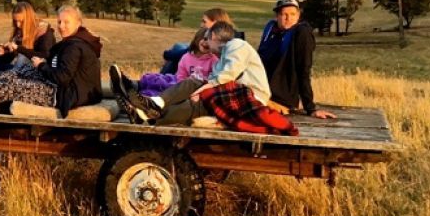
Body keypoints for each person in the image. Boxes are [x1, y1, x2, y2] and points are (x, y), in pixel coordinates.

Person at [111, 21, 296, 134]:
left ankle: (151, 116)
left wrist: (203, 90)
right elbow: (215, 79)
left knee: (198, 101)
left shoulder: (237, 45)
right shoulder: (221, 57)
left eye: (207, 39)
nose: (206, 43)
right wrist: (200, 89)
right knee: (193, 86)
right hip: (234, 93)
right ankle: (151, 107)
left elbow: (227, 75)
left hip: (251, 96)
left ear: (215, 36)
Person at [0, 5, 102, 116]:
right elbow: (57, 67)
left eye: (67, 22)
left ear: (78, 23)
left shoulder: (74, 46)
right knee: (23, 72)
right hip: (66, 88)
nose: (61, 26)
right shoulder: (73, 42)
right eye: (59, 21)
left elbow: (62, 76)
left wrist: (42, 65)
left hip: (65, 95)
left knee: (14, 87)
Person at [257, 0, 336, 120]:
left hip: (279, 99)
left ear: (298, 15)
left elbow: (303, 70)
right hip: (262, 92)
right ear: (277, 16)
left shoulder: (302, 34)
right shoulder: (271, 31)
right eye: (284, 14)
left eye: (293, 14)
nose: (288, 18)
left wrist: (310, 108)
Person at [136, 26, 218, 96]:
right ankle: (137, 85)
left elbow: (213, 80)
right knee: (157, 79)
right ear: (197, 38)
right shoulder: (187, 57)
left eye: (211, 42)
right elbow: (181, 76)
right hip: (179, 81)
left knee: (165, 89)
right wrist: (181, 84)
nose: (207, 43)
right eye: (205, 39)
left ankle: (145, 95)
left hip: (192, 89)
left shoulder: (213, 60)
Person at [0, 1, 56, 74]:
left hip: (37, 72)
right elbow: (10, 58)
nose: (18, 25)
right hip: (19, 69)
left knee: (22, 57)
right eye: (15, 21)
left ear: (29, 19)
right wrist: (1, 54)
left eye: (21, 21)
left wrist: (19, 48)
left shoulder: (43, 31)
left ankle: (6, 81)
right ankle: (6, 81)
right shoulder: (19, 32)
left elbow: (45, 56)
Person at [159, 7, 234, 75]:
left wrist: (166, 54)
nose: (201, 25)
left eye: (204, 22)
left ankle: (161, 78)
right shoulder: (225, 35)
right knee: (178, 46)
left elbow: (187, 51)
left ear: (216, 23)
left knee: (177, 50)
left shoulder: (216, 42)